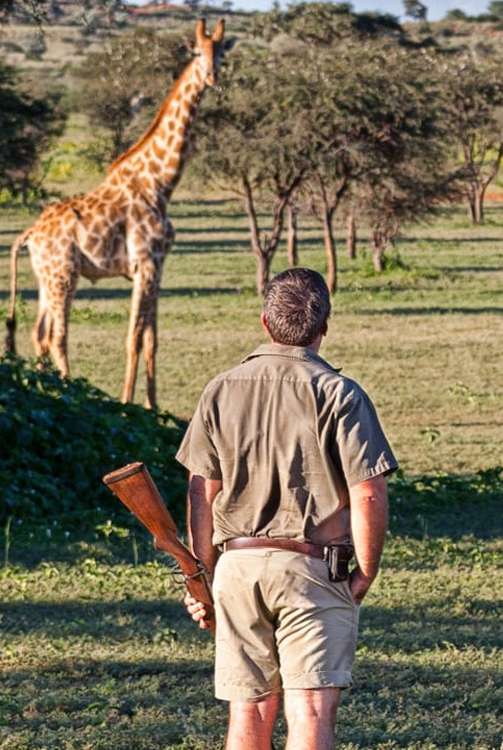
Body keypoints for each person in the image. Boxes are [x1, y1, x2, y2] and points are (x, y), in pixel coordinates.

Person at [176, 268, 397, 750]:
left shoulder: (220, 388)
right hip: (315, 567)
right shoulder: (340, 393)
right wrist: (365, 572)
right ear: (324, 326)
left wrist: (204, 572)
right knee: (311, 712)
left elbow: (200, 492)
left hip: (236, 565)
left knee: (248, 714)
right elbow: (368, 493)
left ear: (265, 322)